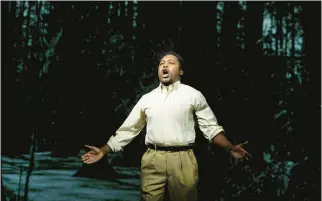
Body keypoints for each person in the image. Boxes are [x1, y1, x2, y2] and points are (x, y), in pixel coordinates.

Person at [82, 51, 251, 201]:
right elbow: (128, 130)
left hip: (183, 159)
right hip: (153, 159)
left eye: (171, 63)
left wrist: (230, 148)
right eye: (161, 63)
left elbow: (211, 128)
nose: (165, 66)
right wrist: (104, 150)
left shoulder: (193, 95)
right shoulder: (147, 98)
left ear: (181, 71)